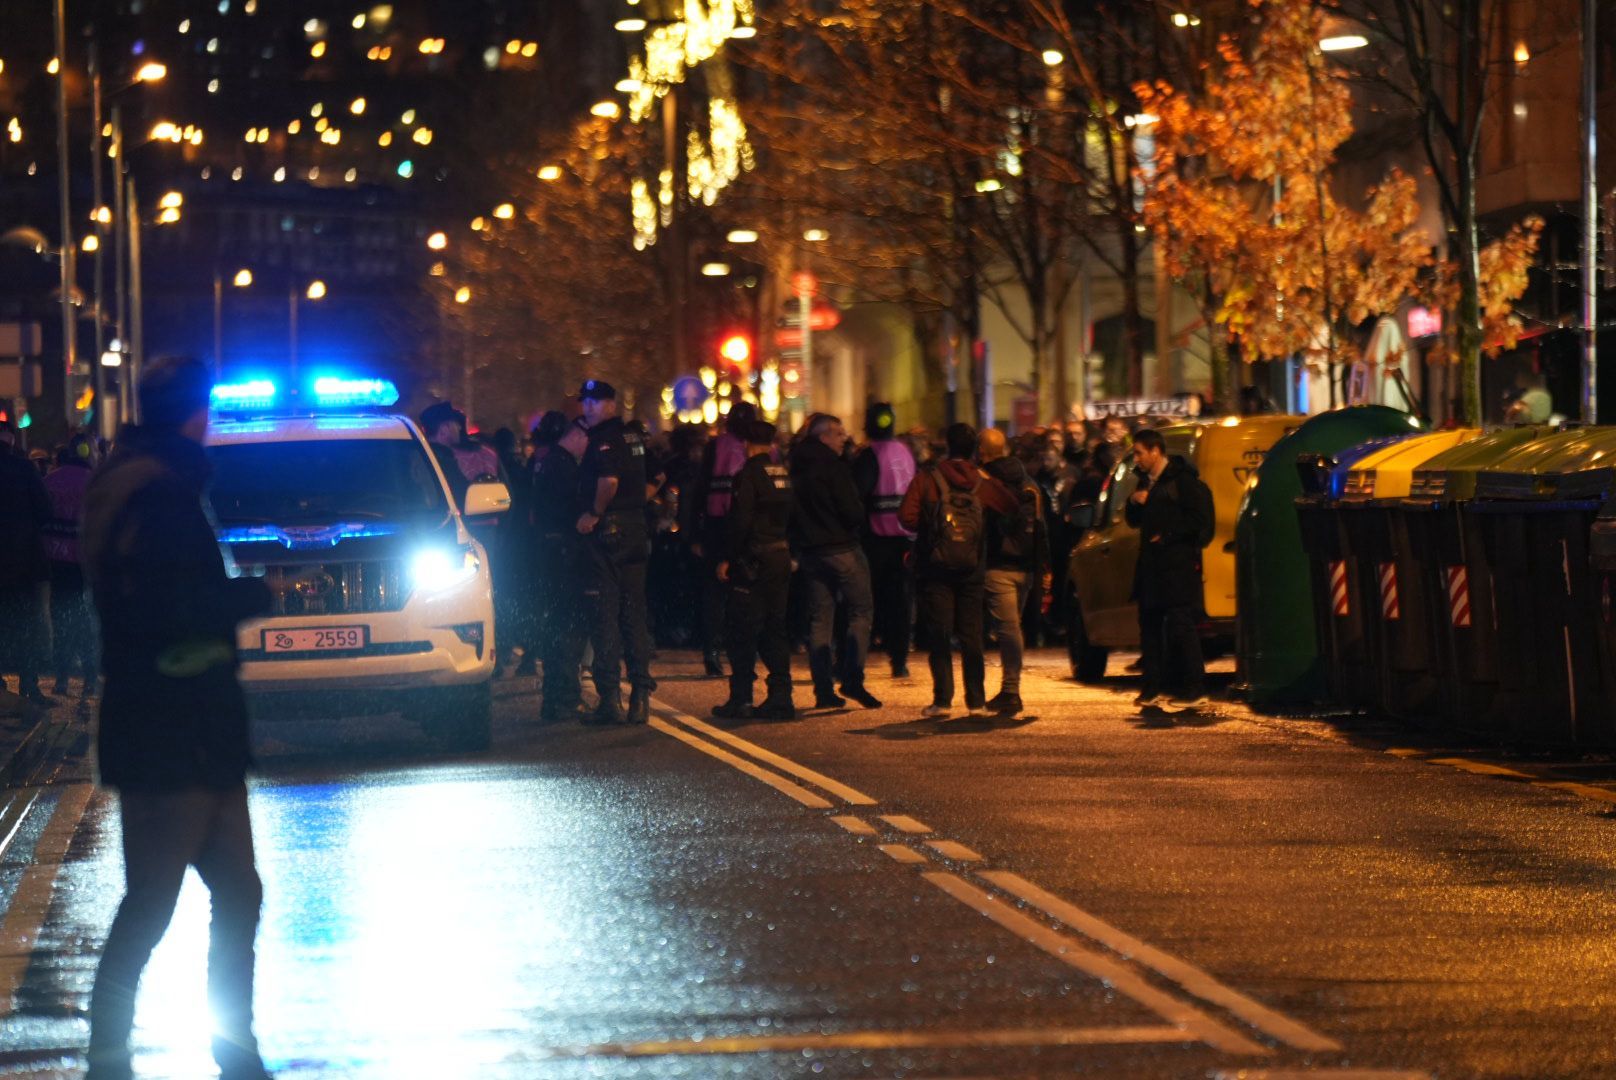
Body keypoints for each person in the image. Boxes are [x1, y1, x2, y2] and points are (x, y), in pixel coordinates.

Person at [80, 357, 274, 1080]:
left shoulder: (138, 481)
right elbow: (163, 610)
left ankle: (234, 1049)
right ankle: (110, 1057)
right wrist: (245, 599)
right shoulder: (159, 495)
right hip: (174, 730)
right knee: (153, 902)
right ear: (197, 415)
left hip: (187, 728)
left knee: (235, 891)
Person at [899, 422, 1018, 718]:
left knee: (939, 633)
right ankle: (976, 701)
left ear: (946, 445)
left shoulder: (928, 480)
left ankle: (942, 700)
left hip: (935, 567)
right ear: (975, 449)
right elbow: (1011, 507)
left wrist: (931, 530)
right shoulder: (982, 481)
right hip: (972, 567)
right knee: (971, 634)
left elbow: (906, 517)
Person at [575, 380, 655, 725]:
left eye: (596, 401)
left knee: (604, 615)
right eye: (586, 402)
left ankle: (610, 699)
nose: (589, 407)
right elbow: (657, 476)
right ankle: (640, 697)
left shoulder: (603, 439)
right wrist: (635, 505)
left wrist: (595, 512)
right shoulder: (633, 437)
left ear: (611, 404)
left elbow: (608, 482)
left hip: (608, 532)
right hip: (636, 529)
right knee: (633, 614)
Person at [789, 413, 880, 710]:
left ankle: (823, 689)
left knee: (820, 619)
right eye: (839, 434)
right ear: (824, 436)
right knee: (861, 610)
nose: (844, 439)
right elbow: (851, 510)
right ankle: (852, 676)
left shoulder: (796, 466)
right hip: (841, 547)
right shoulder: (833, 467)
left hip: (811, 551)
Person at [1125, 427, 1215, 710]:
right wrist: (1134, 502)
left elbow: (1198, 521)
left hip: (1176, 568)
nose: (1136, 459)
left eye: (1139, 453)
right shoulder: (1145, 482)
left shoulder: (1182, 482)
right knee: (1149, 627)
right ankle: (1152, 687)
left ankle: (1195, 687)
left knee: (1181, 626)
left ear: (1155, 451)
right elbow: (1134, 521)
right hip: (1151, 568)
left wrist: (1167, 536)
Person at [713, 420, 796, 720]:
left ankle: (741, 697)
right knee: (776, 627)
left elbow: (741, 521)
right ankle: (781, 696)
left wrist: (727, 558)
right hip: (780, 556)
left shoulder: (748, 475)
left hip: (753, 560)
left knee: (742, 629)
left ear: (747, 444)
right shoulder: (783, 473)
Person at [978, 427, 1048, 716]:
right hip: (1027, 566)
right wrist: (1044, 566)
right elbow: (1043, 527)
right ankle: (1010, 689)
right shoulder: (1029, 482)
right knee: (1011, 626)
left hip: (998, 565)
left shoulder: (985, 483)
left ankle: (1011, 690)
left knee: (1008, 629)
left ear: (983, 452)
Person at [692, 402, 759, 676]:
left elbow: (700, 488)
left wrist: (695, 534)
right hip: (742, 527)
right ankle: (737, 653)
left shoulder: (715, 447)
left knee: (715, 593)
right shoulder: (756, 449)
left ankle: (713, 651)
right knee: (740, 593)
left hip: (717, 525)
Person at [853, 403, 917, 678]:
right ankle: (899, 659)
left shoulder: (868, 456)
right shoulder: (905, 452)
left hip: (876, 539)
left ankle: (859, 659)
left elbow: (859, 496)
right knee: (901, 601)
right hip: (906, 539)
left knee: (870, 600)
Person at [532, 414, 588, 723]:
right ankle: (565, 697)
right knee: (568, 627)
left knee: (555, 625)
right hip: (564, 552)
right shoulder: (564, 466)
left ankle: (554, 698)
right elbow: (572, 509)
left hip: (548, 550)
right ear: (576, 434)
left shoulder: (545, 461)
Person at [44, 435, 100, 700]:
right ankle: (90, 678)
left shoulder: (50, 481)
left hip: (56, 561)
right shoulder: (97, 482)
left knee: (61, 619)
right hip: (87, 563)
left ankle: (62, 679)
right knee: (87, 622)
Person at [0, 419, 51, 706]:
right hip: (23, 562)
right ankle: (28, 683)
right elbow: (45, 511)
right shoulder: (23, 469)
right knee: (24, 626)